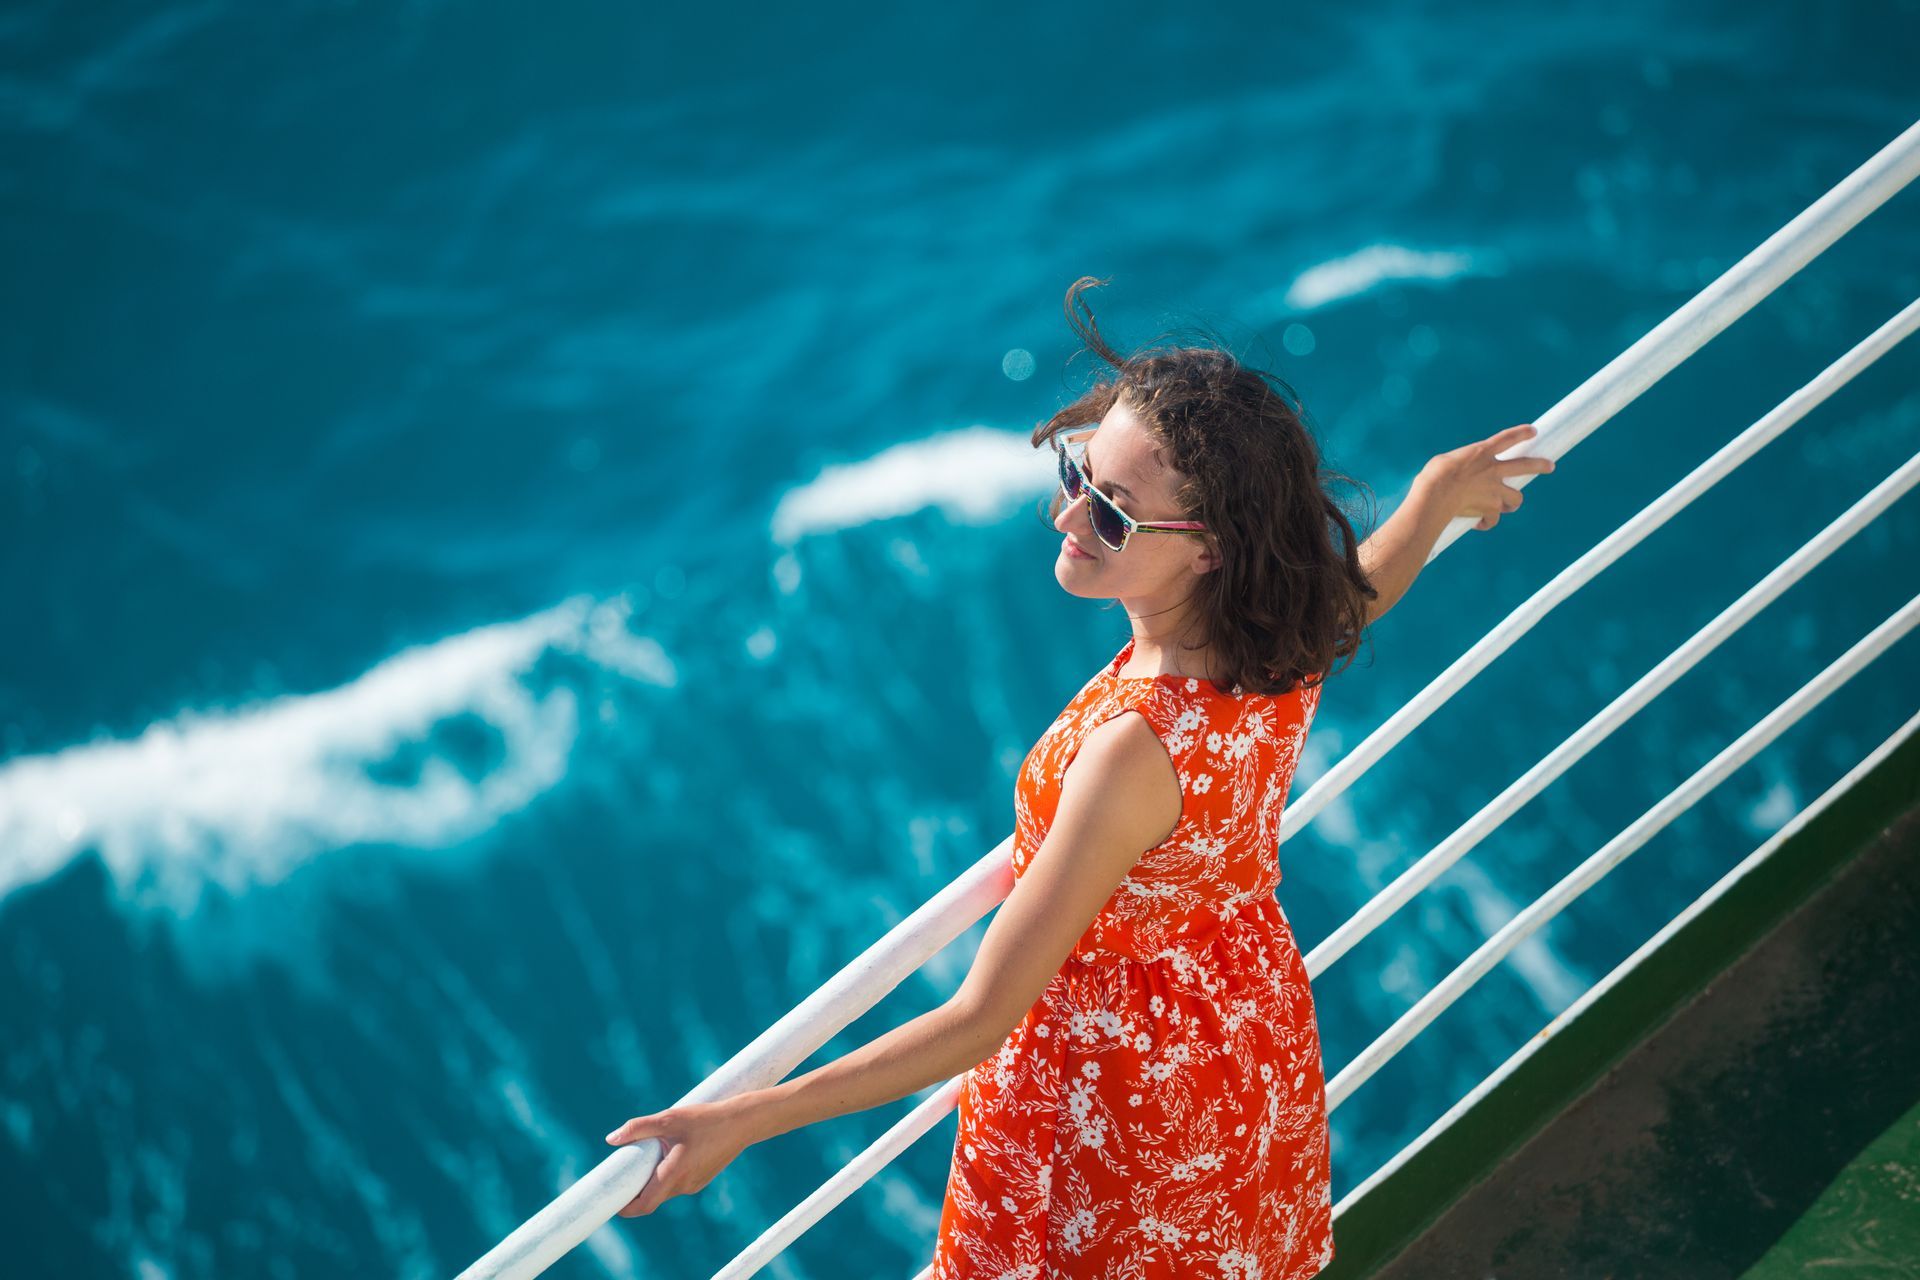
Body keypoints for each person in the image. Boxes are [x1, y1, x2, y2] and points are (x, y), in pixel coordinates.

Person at [603, 276, 1554, 1276]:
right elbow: (1361, 594)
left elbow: (977, 1018)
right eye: (1078, 476)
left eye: (1113, 514)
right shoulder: (1276, 640)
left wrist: (742, 1120)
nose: (1069, 517)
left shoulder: (1133, 753)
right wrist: (1435, 496)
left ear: (1208, 554)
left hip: (1117, 1101)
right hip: (1235, 1049)